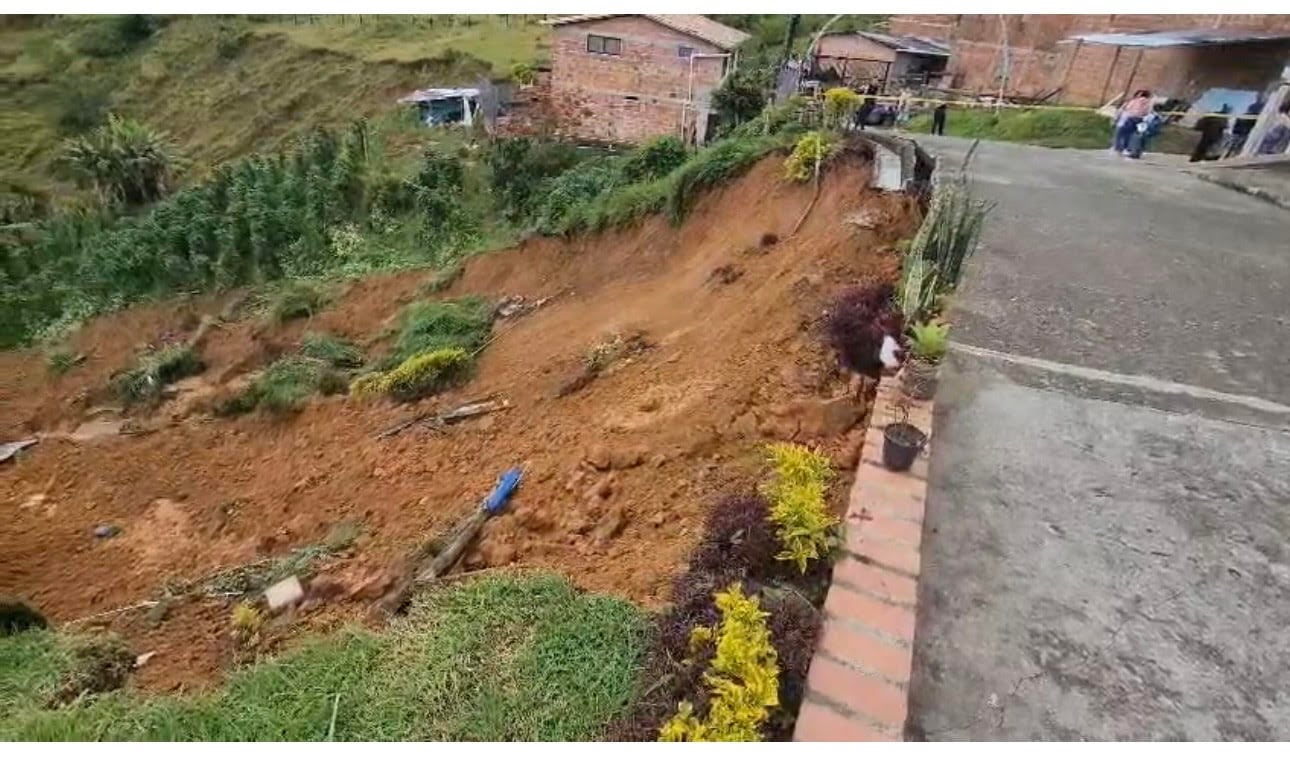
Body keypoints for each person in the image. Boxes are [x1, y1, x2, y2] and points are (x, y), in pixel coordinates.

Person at [1112, 89, 1153, 155]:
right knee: (1140, 135)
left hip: (1130, 118)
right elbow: (1147, 112)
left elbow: (1128, 108)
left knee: (1126, 134)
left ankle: (1124, 148)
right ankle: (1139, 150)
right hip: (1140, 119)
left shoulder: (1133, 101)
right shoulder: (1148, 102)